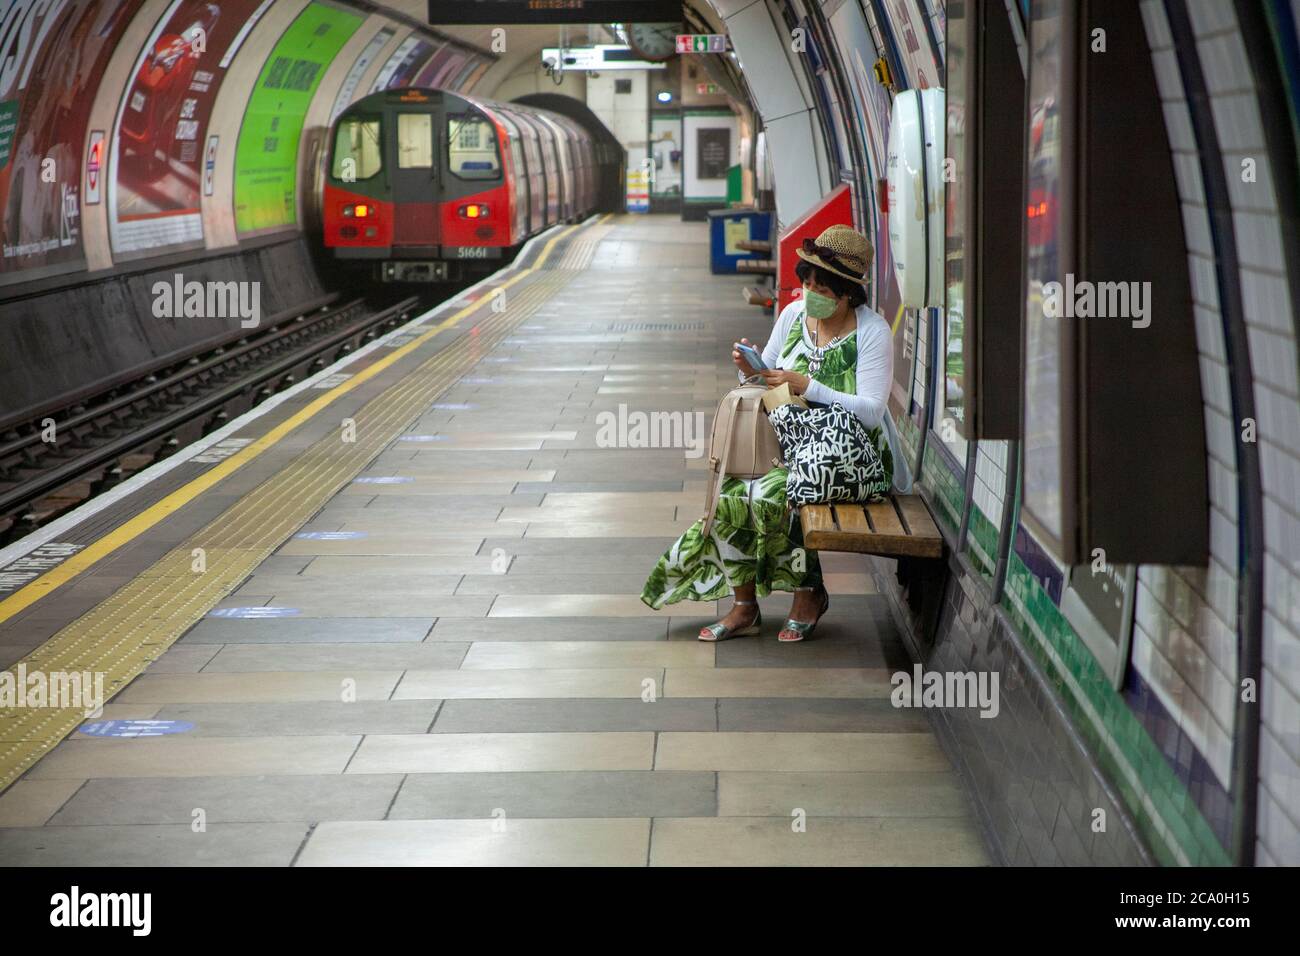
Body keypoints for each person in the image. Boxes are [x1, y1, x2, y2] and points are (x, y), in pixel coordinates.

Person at [640, 224, 911, 642]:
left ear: (848, 292)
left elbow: (873, 413)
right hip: (787, 442)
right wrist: (750, 370)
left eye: (823, 287)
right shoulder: (792, 316)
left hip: (851, 455)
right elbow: (766, 375)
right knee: (733, 493)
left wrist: (808, 386)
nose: (810, 293)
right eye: (807, 282)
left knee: (774, 494)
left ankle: (808, 592)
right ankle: (744, 606)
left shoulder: (872, 332)